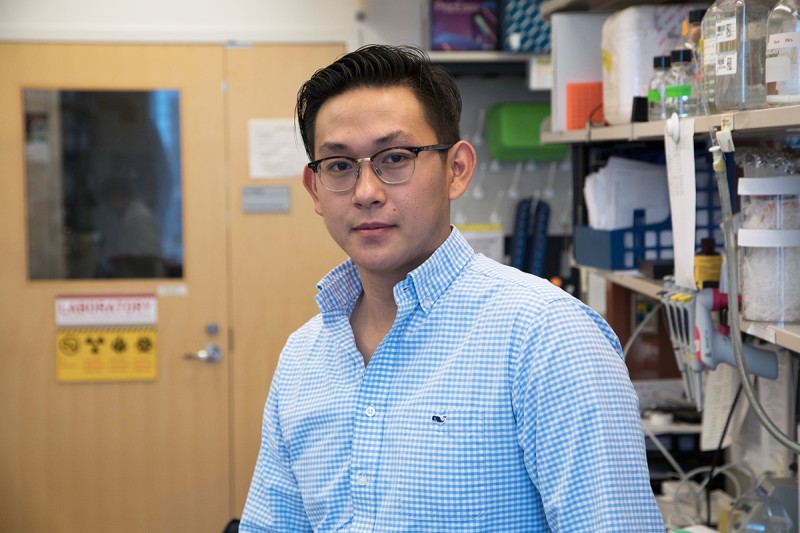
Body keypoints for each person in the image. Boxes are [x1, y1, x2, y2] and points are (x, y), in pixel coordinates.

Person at [240, 44, 664, 532]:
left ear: (456, 170)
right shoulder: (303, 358)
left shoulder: (546, 336)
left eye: (395, 158)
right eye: (339, 165)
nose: (366, 192)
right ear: (314, 189)